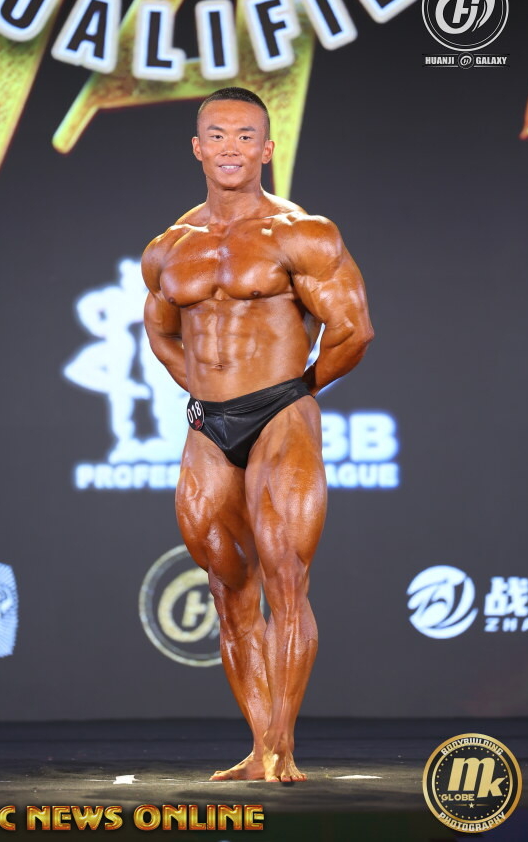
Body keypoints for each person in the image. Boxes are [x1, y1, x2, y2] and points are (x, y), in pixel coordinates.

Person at [141, 87, 374, 782]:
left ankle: (284, 744)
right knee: (227, 587)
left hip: (280, 413)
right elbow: (160, 332)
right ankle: (257, 747)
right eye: (218, 134)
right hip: (207, 424)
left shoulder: (302, 234)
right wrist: (204, 389)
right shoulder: (167, 248)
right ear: (197, 147)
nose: (231, 148)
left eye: (246, 136)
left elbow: (353, 330)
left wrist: (296, 391)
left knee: (285, 577)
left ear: (267, 149)